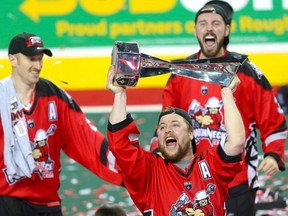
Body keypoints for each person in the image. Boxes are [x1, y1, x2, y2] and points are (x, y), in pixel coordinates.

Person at [150, 0, 287, 215]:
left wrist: (273, 154)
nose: (209, 28)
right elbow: (165, 123)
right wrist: (157, 157)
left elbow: (273, 120)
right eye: (203, 23)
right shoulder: (180, 74)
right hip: (193, 181)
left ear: (227, 30)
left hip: (237, 180)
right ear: (195, 30)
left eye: (216, 23)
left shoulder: (247, 72)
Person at [0, 32, 123, 216]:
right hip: (6, 202)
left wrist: (133, 171)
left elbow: (88, 141)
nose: (38, 66)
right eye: (31, 59)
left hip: (46, 205)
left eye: (40, 59)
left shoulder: (55, 97)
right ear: (13, 59)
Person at [106, 64, 246, 215]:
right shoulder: (149, 173)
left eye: (175, 125)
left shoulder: (212, 165)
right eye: (162, 127)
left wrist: (226, 92)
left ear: (191, 133)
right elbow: (120, 145)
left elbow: (236, 141)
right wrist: (119, 94)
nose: (167, 130)